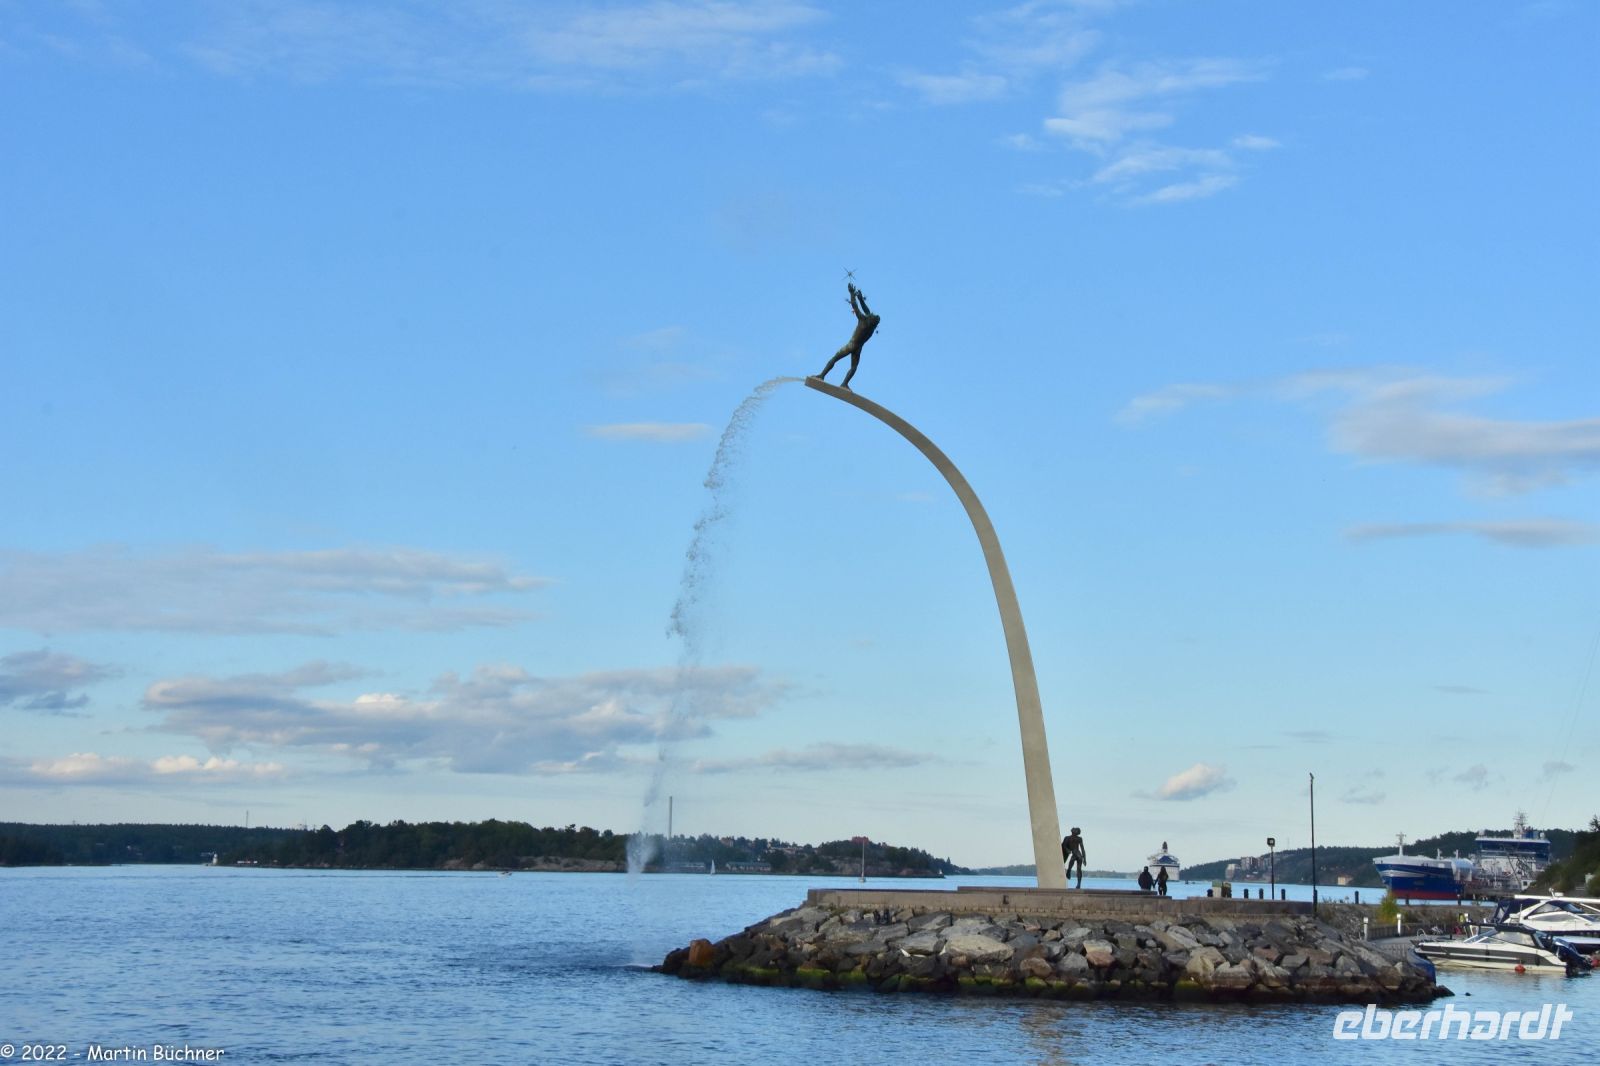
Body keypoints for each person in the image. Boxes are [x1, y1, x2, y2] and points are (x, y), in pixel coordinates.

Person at [816, 282, 880, 389]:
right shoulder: (871, 328)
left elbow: (855, 307)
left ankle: (822, 376)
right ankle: (844, 383)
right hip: (858, 348)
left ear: (871, 319)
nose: (871, 314)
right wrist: (861, 299)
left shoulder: (863, 321)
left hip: (851, 345)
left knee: (835, 358)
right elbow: (867, 311)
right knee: (854, 367)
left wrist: (851, 293)